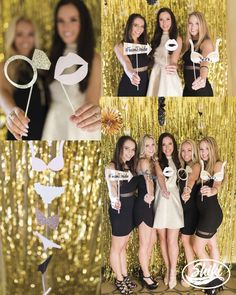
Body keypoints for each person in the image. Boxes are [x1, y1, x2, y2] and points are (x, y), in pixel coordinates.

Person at [42, 0, 101, 140]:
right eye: (61, 20)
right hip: (54, 124)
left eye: (73, 19)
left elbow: (92, 101)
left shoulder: (94, 58)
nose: (66, 26)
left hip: (79, 126)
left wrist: (92, 116)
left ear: (84, 22)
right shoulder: (51, 56)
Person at [0, 16, 48, 140]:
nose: (25, 39)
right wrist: (12, 112)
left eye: (30, 34)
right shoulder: (5, 66)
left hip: (46, 133)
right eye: (19, 34)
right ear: (12, 37)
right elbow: (2, 92)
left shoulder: (42, 65)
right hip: (21, 133)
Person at [105, 136, 139, 295]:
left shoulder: (129, 166)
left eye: (133, 150)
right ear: (120, 148)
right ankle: (118, 278)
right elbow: (112, 186)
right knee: (116, 247)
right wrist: (114, 200)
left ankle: (124, 276)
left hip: (130, 207)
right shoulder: (112, 166)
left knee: (123, 245)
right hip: (119, 209)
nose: (130, 153)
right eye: (127, 148)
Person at [193, 137, 225, 293]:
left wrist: (213, 190)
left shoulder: (217, 164)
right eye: (201, 149)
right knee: (212, 245)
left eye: (206, 149)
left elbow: (217, 182)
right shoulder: (201, 165)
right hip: (206, 214)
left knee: (197, 246)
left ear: (212, 149)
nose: (204, 152)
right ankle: (216, 279)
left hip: (211, 215)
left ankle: (212, 280)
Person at [153, 132, 184, 289]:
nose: (167, 148)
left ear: (174, 145)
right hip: (161, 201)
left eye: (170, 144)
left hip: (173, 201)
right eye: (164, 144)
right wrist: (164, 189)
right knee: (163, 239)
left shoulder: (179, 161)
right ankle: (168, 268)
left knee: (172, 240)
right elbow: (159, 176)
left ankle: (172, 272)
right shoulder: (157, 161)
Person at [134, 135, 158, 290]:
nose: (151, 148)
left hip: (147, 205)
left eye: (152, 145)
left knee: (152, 240)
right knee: (145, 243)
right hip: (144, 205)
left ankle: (144, 270)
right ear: (143, 147)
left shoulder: (150, 161)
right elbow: (149, 180)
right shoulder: (143, 161)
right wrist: (151, 195)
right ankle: (146, 276)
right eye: (147, 145)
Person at [178, 139, 200, 287]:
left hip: (191, 209)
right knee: (188, 241)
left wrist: (187, 190)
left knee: (186, 241)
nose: (186, 154)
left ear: (194, 151)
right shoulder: (182, 166)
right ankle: (194, 271)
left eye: (189, 150)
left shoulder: (196, 165)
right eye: (183, 150)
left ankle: (191, 273)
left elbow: (192, 179)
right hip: (183, 210)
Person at [147, 7, 182, 97]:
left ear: (172, 20)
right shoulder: (156, 38)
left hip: (167, 75)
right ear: (158, 22)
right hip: (155, 74)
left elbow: (174, 60)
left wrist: (175, 66)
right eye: (161, 20)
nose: (164, 23)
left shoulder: (177, 39)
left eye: (167, 19)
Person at [114, 14, 149, 96]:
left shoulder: (145, 45)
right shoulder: (120, 46)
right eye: (136, 25)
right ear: (130, 26)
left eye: (142, 26)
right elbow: (126, 63)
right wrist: (132, 75)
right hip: (130, 83)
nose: (139, 29)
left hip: (146, 82)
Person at [182, 12, 214, 96]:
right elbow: (189, 65)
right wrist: (176, 66)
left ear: (202, 25)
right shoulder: (188, 43)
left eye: (197, 24)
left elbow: (205, 61)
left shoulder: (206, 42)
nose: (193, 27)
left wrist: (202, 78)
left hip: (201, 89)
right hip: (187, 90)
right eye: (190, 23)